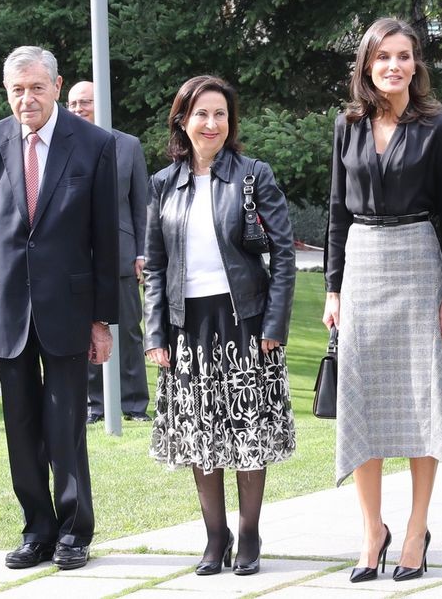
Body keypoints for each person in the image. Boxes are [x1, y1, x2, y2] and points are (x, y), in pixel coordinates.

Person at [323, 18, 442, 584]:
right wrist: (333, 288)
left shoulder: (439, 127)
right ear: (366, 64)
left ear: (417, 64)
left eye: (404, 56)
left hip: (418, 263)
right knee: (361, 399)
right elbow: (338, 211)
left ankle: (416, 531)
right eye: (383, 56)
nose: (394, 65)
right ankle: (372, 530)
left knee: (420, 403)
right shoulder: (348, 124)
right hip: (362, 263)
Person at [0, 46, 119, 571]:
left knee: (66, 425)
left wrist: (103, 319)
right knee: (21, 427)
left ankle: (75, 532)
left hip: (69, 309)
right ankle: (37, 530)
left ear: (56, 86)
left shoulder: (94, 145)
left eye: (35, 87)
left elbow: (104, 240)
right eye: (16, 90)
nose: (26, 98)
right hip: (3, 307)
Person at [143, 75, 296, 577]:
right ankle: (215, 536)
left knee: (247, 432)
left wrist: (274, 322)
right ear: (182, 121)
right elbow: (156, 267)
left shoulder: (253, 174)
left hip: (246, 323)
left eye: (221, 115)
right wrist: (155, 333)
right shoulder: (163, 184)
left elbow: (284, 253)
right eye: (201, 114)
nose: (211, 124)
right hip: (188, 327)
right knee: (198, 433)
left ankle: (249, 534)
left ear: (230, 123)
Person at [67, 81, 152, 423]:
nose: (77, 110)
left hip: (121, 257)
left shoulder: (128, 146)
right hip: (75, 259)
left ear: (101, 103)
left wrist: (143, 252)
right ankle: (94, 406)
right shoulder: (62, 144)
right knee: (80, 332)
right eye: (72, 104)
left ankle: (133, 404)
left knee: (129, 332)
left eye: (84, 102)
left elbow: (141, 204)